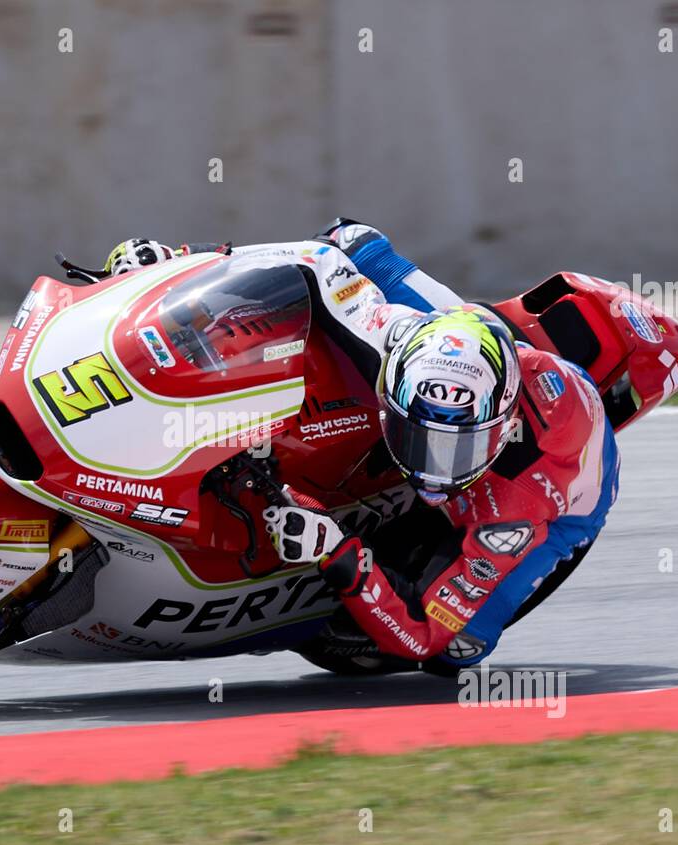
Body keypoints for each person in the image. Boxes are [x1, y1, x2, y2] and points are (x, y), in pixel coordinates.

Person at [101, 222, 620, 673]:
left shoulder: (517, 511)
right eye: (417, 439)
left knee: (454, 654)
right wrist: (179, 263)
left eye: (454, 452)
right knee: (352, 240)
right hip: (469, 342)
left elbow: (423, 635)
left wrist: (339, 552)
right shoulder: (394, 334)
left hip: (560, 502)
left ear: (500, 431)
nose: (432, 473)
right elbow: (318, 260)